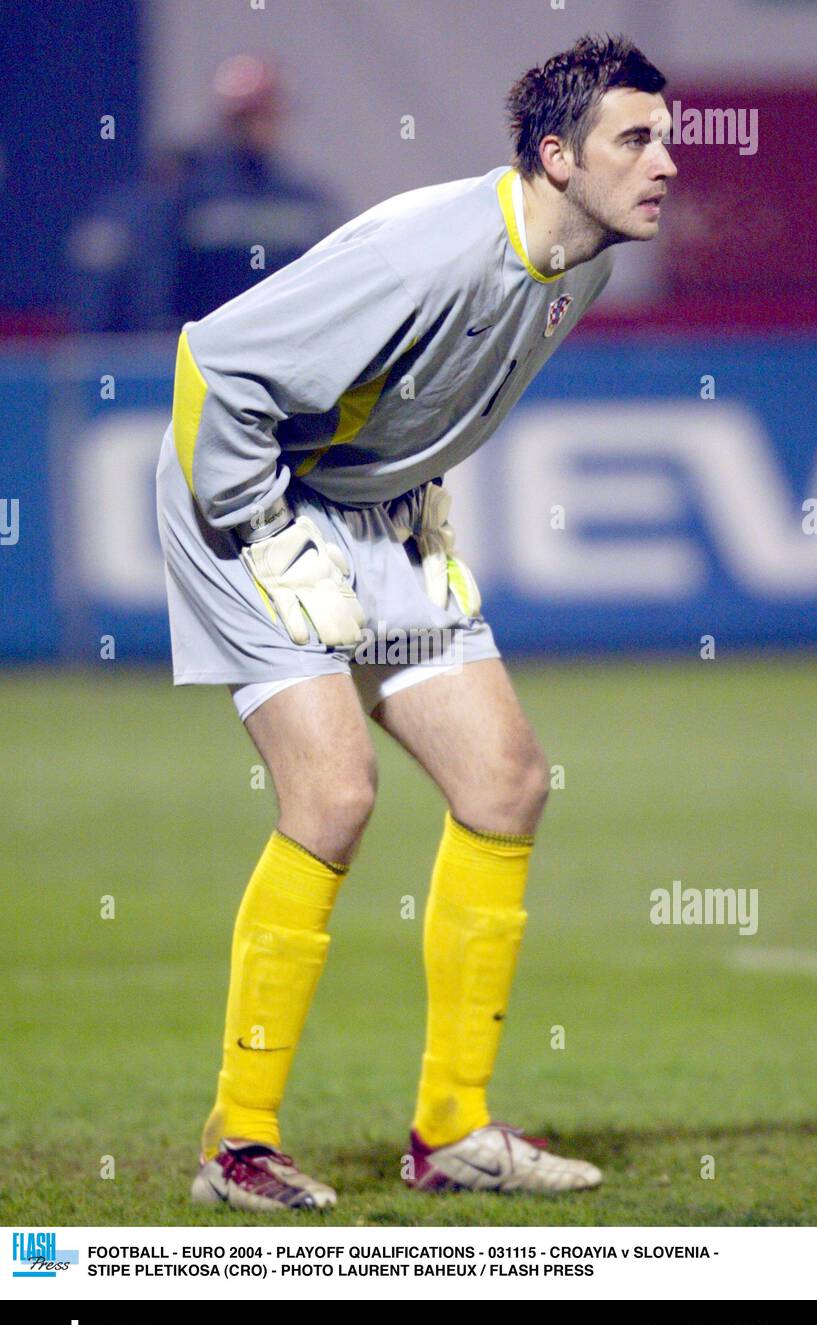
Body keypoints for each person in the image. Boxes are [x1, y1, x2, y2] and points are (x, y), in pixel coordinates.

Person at [156, 33, 677, 1211]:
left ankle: (451, 1131)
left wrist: (420, 483)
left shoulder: (578, 255)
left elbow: (439, 386)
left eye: (667, 139)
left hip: (365, 500)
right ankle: (233, 1144)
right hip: (243, 488)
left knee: (505, 782)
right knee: (333, 797)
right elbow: (214, 368)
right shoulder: (428, 248)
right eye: (634, 139)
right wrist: (266, 529)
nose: (664, 164)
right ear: (555, 155)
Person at [65, 54, 339, 331]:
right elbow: (147, 283)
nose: (257, 126)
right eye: (246, 116)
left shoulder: (303, 200)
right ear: (227, 119)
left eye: (266, 113)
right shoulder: (181, 192)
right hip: (196, 349)